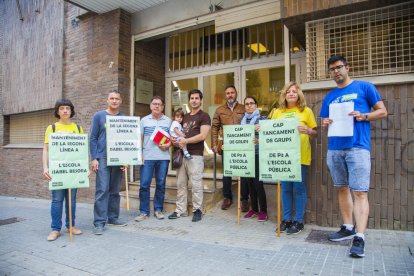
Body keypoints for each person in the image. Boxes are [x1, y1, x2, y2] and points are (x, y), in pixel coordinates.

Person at [320, 55, 387, 257]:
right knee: (341, 188)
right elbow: (325, 120)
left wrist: (363, 116)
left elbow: (383, 111)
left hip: (358, 147)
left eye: (339, 67)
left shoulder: (365, 88)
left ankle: (360, 237)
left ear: (347, 68)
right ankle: (348, 227)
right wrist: (325, 123)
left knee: (360, 192)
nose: (336, 72)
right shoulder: (330, 96)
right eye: (332, 69)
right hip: (335, 148)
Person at [270, 82, 317, 234]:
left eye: (294, 92)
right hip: (283, 156)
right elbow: (270, 131)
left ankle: (298, 221)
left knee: (299, 188)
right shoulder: (277, 112)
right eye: (288, 92)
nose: (291, 94)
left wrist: (309, 130)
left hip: (300, 156)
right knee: (286, 189)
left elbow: (315, 132)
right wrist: (261, 129)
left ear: (299, 95)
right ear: (284, 95)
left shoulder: (306, 111)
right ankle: (287, 219)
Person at [42, 99, 84, 241]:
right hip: (57, 171)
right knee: (57, 200)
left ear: (71, 110)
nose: (65, 110)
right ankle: (55, 229)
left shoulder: (78, 129)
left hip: (72, 171)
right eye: (62, 108)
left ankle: (71, 226)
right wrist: (45, 167)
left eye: (67, 108)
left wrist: (84, 168)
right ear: (57, 111)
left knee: (71, 200)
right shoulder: (52, 128)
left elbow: (82, 151)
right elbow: (46, 149)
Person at [168, 89, 211, 222]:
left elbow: (203, 135)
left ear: (201, 100)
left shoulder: (204, 116)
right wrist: (174, 141)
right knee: (181, 184)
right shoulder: (184, 117)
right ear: (189, 100)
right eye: (191, 98)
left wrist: (185, 141)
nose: (194, 100)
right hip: (181, 154)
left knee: (196, 184)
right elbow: (177, 133)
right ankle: (181, 210)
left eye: (196, 98)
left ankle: (197, 210)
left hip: (195, 156)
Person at [90, 90, 128, 235]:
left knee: (115, 190)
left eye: (117, 99)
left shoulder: (124, 117)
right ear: (107, 100)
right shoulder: (99, 116)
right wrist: (94, 158)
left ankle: (113, 217)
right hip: (103, 158)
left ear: (120, 101)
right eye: (111, 98)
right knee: (102, 190)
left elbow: (126, 139)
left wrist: (126, 160)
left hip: (118, 157)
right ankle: (99, 222)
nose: (114, 101)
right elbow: (93, 138)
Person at [135, 96, 171, 221]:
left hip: (163, 157)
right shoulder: (144, 121)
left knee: (161, 184)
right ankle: (144, 211)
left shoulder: (168, 121)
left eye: (159, 104)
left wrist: (168, 144)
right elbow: (139, 140)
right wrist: (140, 156)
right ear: (150, 106)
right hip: (148, 157)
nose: (157, 106)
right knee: (144, 184)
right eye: (154, 104)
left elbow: (172, 139)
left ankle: (158, 209)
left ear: (163, 107)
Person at [211, 85, 247, 211]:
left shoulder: (244, 108)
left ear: (236, 94)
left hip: (243, 145)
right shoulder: (220, 110)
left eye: (232, 92)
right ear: (225, 95)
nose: (230, 95)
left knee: (243, 172)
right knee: (227, 172)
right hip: (227, 145)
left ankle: (244, 199)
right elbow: (215, 127)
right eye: (227, 93)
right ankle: (227, 198)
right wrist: (214, 143)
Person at [240, 96, 268, 222]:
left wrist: (260, 136)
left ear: (256, 105)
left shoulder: (262, 119)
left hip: (257, 154)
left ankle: (263, 211)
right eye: (247, 104)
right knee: (249, 182)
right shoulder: (243, 121)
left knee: (258, 183)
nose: (249, 105)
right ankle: (254, 209)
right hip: (247, 154)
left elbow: (270, 136)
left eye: (252, 103)